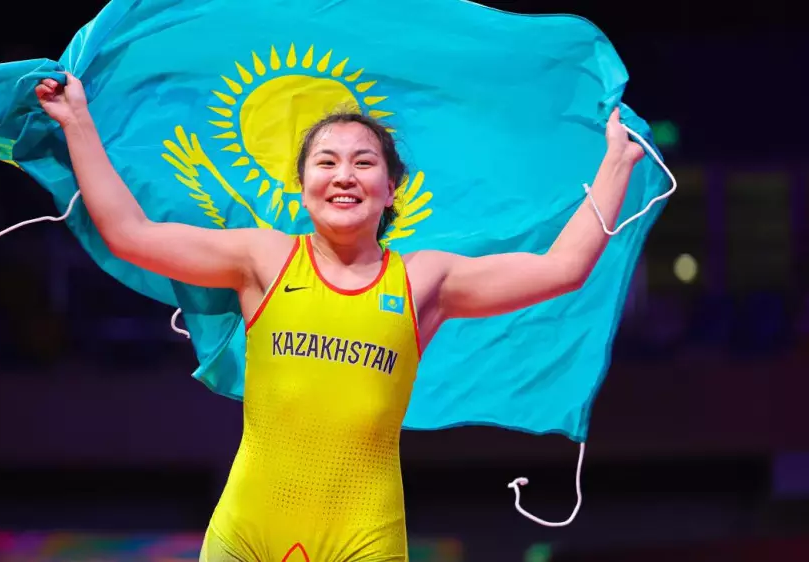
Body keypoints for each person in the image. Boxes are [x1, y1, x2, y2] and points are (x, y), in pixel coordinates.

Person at [35, 72, 645, 562]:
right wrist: (77, 121)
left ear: (391, 188)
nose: (344, 176)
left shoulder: (424, 280)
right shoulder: (263, 260)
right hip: (247, 535)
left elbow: (562, 267)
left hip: (365, 539)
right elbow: (130, 233)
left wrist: (617, 164)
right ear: (303, 186)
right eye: (325, 163)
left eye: (363, 163)